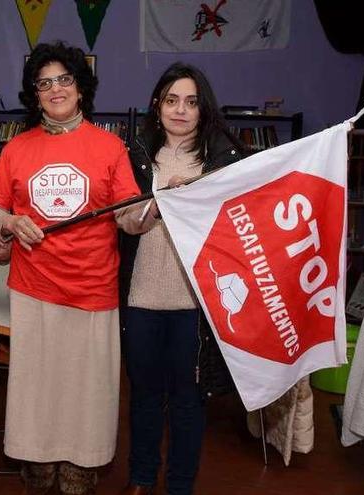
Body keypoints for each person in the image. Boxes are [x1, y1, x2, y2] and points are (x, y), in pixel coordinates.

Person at [0, 41, 140, 495]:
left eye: (64, 79)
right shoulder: (17, 148)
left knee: (86, 399)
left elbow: (128, 215)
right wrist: (9, 221)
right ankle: (38, 478)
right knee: (36, 399)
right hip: (33, 291)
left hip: (92, 293)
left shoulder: (110, 147)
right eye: (44, 82)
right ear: (35, 93)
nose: (55, 89)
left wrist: (153, 208)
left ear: (81, 87)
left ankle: (78, 480)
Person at [116, 62, 245, 495]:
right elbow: (125, 221)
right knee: (145, 396)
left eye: (191, 102)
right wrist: (158, 203)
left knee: (188, 402)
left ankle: (180, 486)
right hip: (141, 297)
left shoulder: (223, 161)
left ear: (203, 109)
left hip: (196, 303)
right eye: (172, 100)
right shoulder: (134, 156)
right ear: (157, 106)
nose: (180, 110)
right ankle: (140, 477)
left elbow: (237, 228)